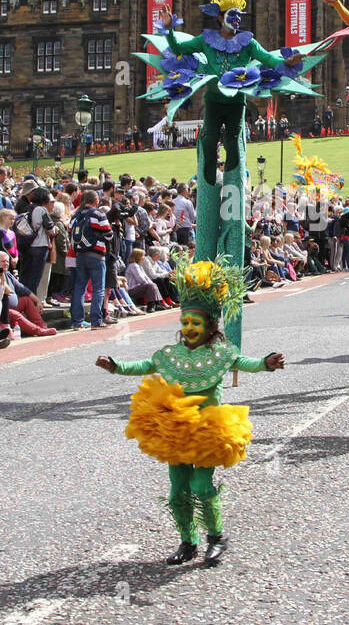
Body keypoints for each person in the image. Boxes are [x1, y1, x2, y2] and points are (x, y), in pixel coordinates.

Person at [95, 256, 285, 566]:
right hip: (175, 430)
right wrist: (115, 366)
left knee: (200, 485)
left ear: (211, 325)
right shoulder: (172, 354)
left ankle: (216, 538)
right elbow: (145, 366)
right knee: (177, 492)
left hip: (208, 430)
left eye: (196, 323)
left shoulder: (220, 352)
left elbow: (244, 363)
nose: (189, 327)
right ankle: (188, 542)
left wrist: (265, 362)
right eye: (185, 322)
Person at [69, 189, 112, 329]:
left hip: (80, 255)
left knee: (79, 287)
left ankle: (77, 321)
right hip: (96, 255)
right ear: (96, 201)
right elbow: (109, 234)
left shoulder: (76, 215)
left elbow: (70, 232)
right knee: (98, 288)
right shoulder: (98, 214)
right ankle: (96, 320)